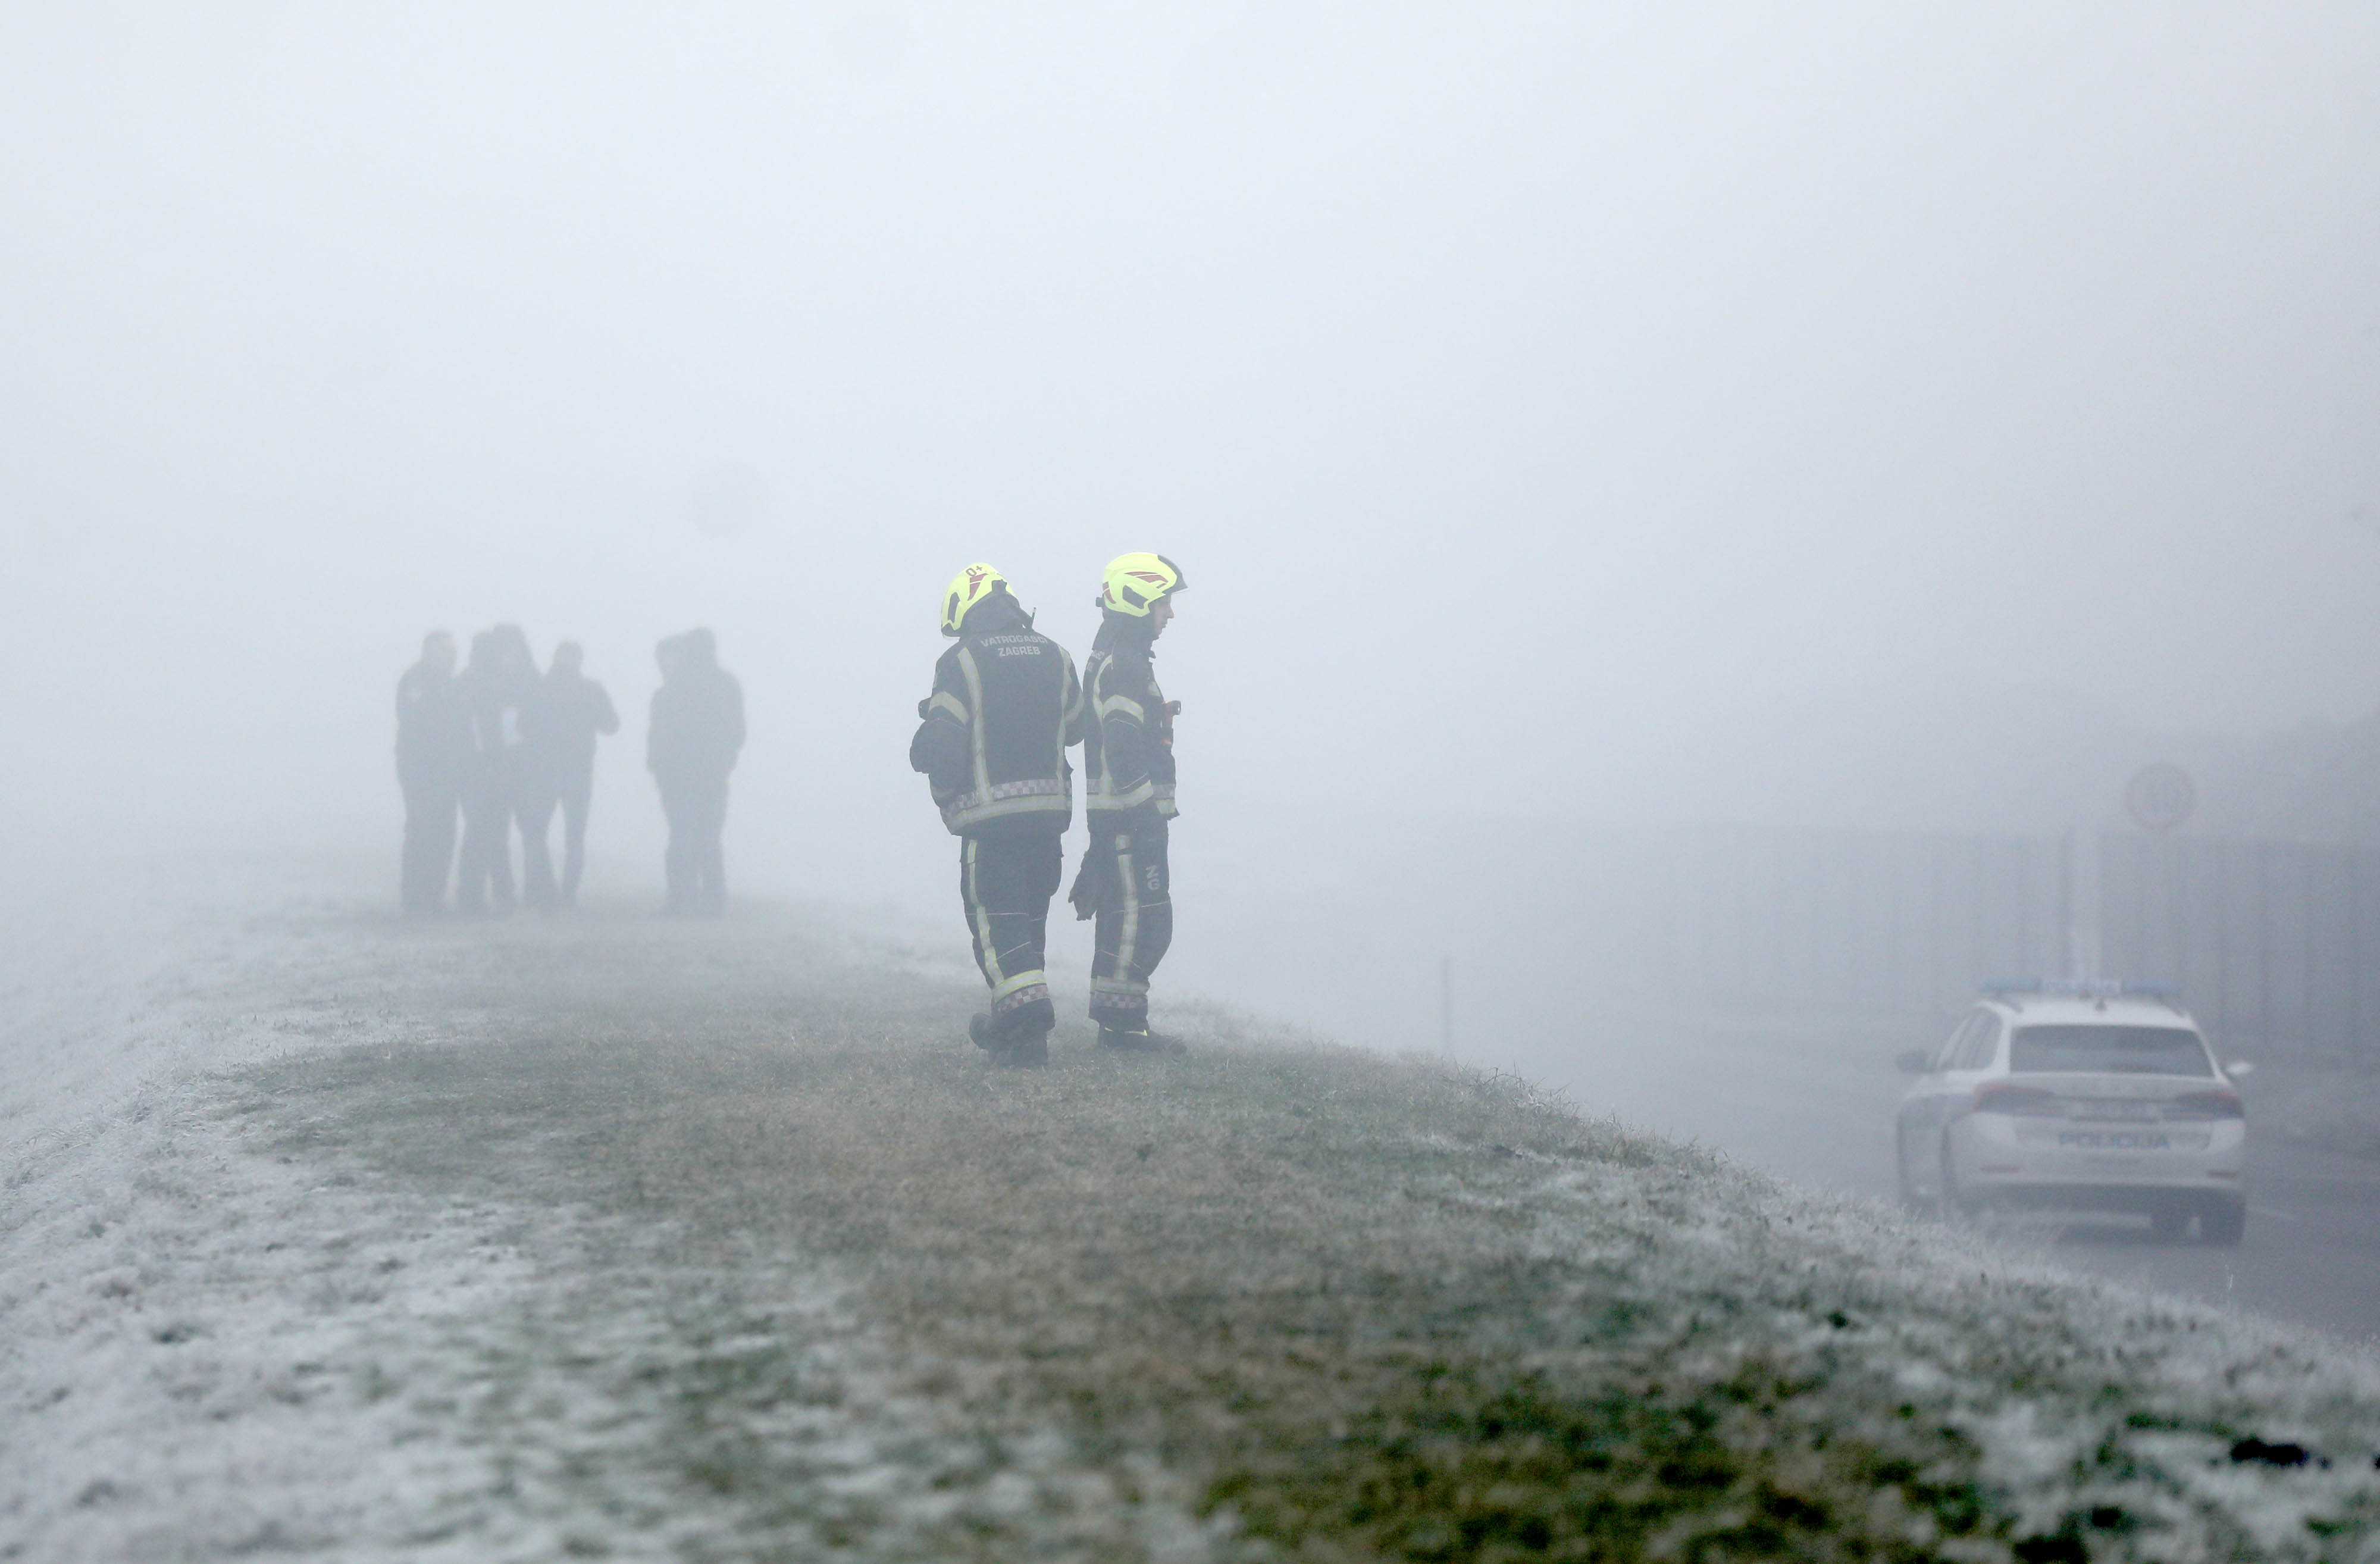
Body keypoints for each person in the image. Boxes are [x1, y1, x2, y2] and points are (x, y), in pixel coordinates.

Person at [910, 564, 1084, 1068]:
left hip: (990, 822)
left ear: (964, 611)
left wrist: (944, 795)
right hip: (1049, 818)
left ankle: (1028, 1018)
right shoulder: (1056, 653)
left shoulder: (959, 661)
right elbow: (1075, 727)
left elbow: (944, 746)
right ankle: (1023, 1042)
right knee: (1028, 926)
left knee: (996, 924)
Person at [1070, 552, 1188, 1052]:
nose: (1170, 614)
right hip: (1129, 819)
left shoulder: (1120, 657)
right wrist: (1145, 816)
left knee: (1125, 918)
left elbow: (1120, 730)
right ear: (1140, 602)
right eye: (1164, 603)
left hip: (1120, 819)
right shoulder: (1126, 665)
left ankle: (1120, 1026)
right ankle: (1122, 1030)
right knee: (1145, 920)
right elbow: (1119, 746)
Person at [647, 627, 744, 915]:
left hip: (677, 776)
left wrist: (659, 769)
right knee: (710, 837)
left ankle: (680, 900)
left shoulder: (672, 689)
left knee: (681, 836)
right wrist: (726, 758)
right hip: (715, 774)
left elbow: (660, 735)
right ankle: (714, 901)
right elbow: (739, 733)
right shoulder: (729, 685)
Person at [521, 640, 620, 909]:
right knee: (575, 836)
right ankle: (567, 895)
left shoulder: (538, 688)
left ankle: (544, 891)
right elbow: (612, 724)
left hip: (543, 771)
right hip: (578, 772)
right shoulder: (590, 690)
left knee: (535, 833)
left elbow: (522, 726)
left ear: (556, 658)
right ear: (579, 660)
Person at [456, 624, 538, 915]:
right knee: (487, 831)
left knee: (487, 832)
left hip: (492, 767)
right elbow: (482, 729)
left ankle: (485, 895)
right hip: (488, 769)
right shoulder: (482, 684)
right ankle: (481, 896)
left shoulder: (474, 682)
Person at [393, 630, 474, 915]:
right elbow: (418, 723)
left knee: (444, 832)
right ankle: (415, 899)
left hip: (447, 771)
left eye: (452, 653)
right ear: (427, 652)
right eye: (443, 652)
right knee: (421, 830)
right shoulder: (415, 681)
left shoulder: (450, 684)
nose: (449, 658)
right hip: (420, 769)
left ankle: (433, 897)